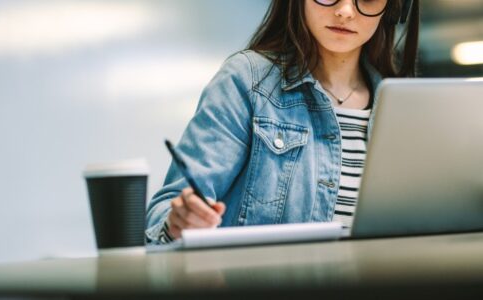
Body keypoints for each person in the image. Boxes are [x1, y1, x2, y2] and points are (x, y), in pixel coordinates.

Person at [146, 0, 419, 244]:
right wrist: (179, 221)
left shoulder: (403, 106)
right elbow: (163, 213)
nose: (345, 11)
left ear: (395, 7)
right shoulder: (247, 81)